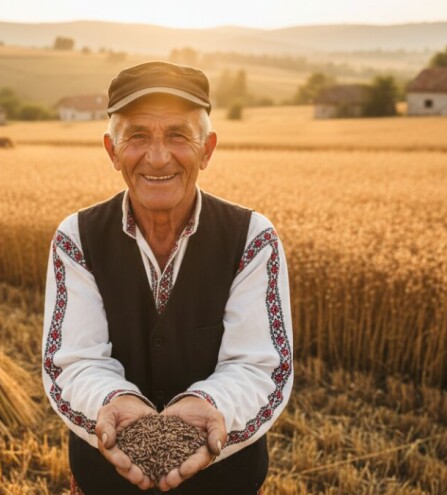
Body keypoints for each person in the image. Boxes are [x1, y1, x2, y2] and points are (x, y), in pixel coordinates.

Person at [41, 60, 293, 495]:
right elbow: (75, 361)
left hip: (224, 482)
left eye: (178, 135)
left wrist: (209, 407)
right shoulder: (76, 237)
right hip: (107, 481)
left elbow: (259, 366)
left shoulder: (253, 238)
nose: (158, 157)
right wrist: (113, 403)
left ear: (208, 149)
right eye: (137, 136)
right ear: (112, 151)